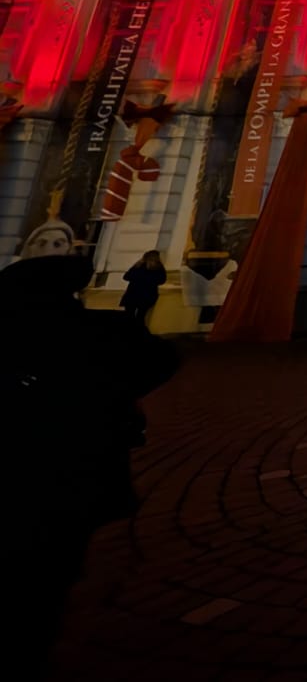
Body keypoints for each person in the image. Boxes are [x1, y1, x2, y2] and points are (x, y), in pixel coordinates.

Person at [9, 223, 180, 678]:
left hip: (34, 467)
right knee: (48, 575)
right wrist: (110, 396)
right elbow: (160, 361)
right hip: (75, 471)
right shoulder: (94, 330)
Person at [120, 250, 166, 326]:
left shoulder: (138, 265)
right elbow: (162, 280)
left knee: (129, 316)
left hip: (133, 294)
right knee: (140, 317)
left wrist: (137, 278)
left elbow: (126, 277)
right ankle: (139, 334)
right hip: (147, 296)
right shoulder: (159, 268)